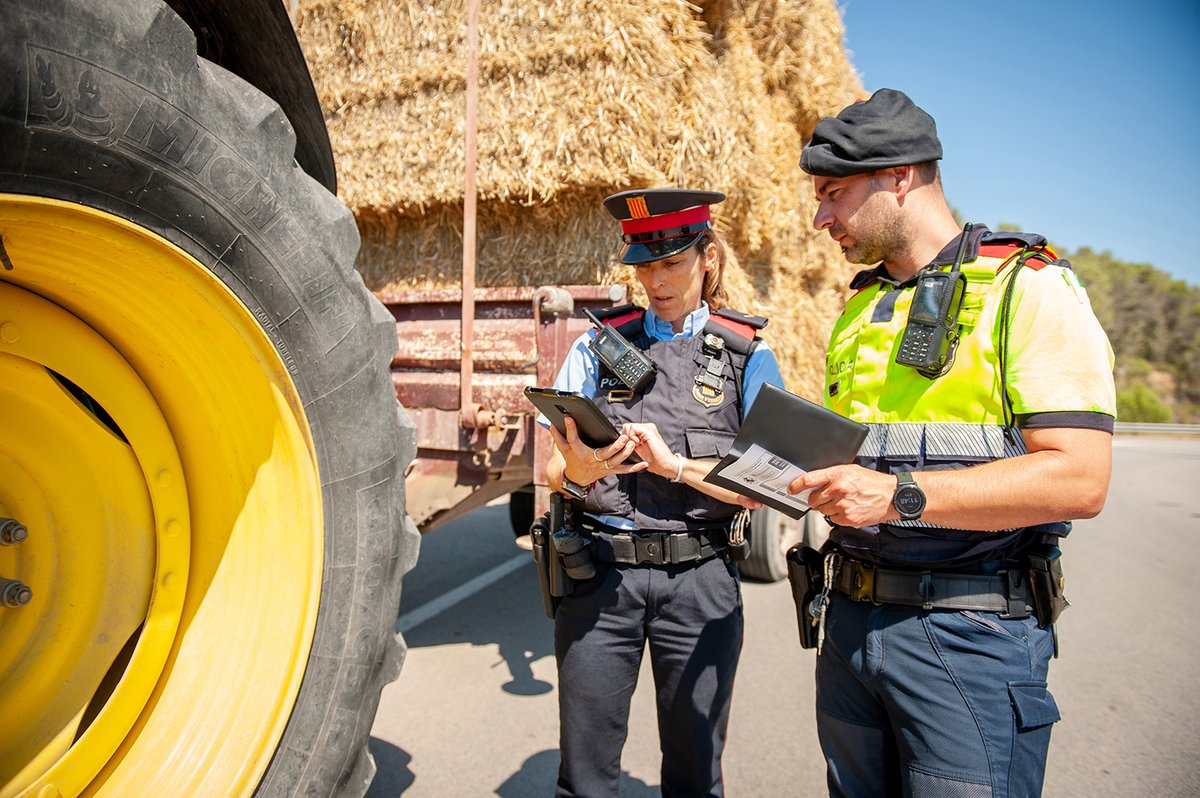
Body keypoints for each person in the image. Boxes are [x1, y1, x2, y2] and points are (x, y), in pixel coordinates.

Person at [788, 88, 1117, 797]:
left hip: (968, 640)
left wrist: (901, 495)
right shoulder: (857, 311)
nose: (821, 218)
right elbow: (858, 460)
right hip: (847, 629)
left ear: (900, 176)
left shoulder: (1026, 288)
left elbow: (1081, 479)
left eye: (835, 194)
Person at [542, 188, 783, 798]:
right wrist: (587, 470)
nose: (656, 279)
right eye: (644, 265)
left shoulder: (747, 354)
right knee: (585, 775)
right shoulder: (596, 346)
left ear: (710, 258)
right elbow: (550, 471)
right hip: (600, 579)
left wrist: (673, 466)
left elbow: (767, 485)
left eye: (671, 262)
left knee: (695, 772)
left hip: (700, 584)